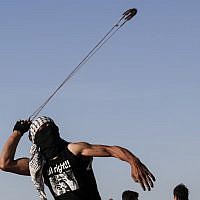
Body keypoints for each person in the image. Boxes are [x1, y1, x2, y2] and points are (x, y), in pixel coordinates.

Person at [0, 116, 156, 200]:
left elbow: (110, 150)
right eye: (42, 130)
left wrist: (133, 161)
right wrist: (17, 132)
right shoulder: (38, 165)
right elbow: (5, 163)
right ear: (36, 140)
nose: (47, 130)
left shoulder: (74, 150)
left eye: (50, 126)